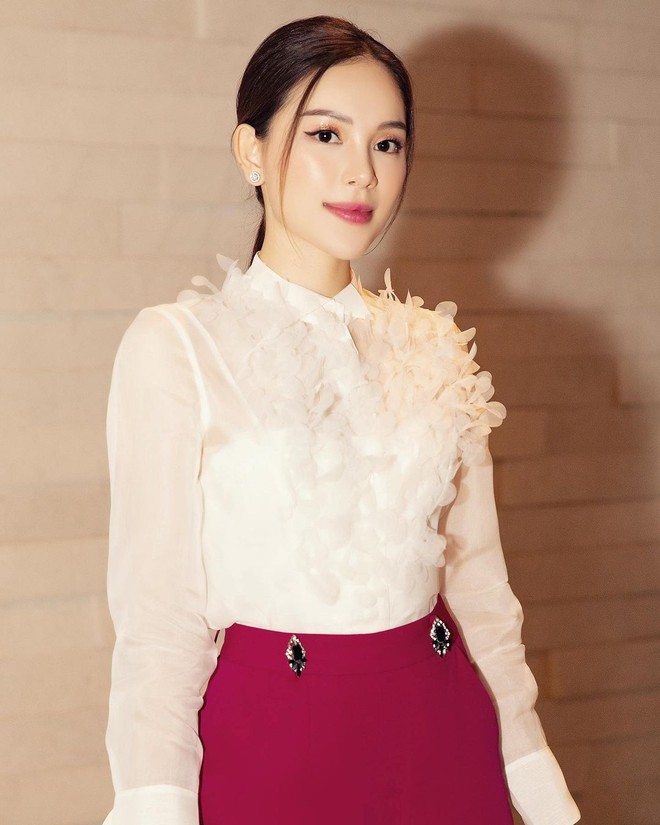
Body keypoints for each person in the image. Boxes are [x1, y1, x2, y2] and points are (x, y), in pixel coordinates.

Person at [102, 15, 581, 825]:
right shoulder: (178, 347)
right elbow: (158, 629)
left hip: (444, 737)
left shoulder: (436, 348)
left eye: (387, 144)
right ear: (252, 151)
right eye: (326, 134)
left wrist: (545, 796)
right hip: (271, 754)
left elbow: (481, 595)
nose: (362, 172)